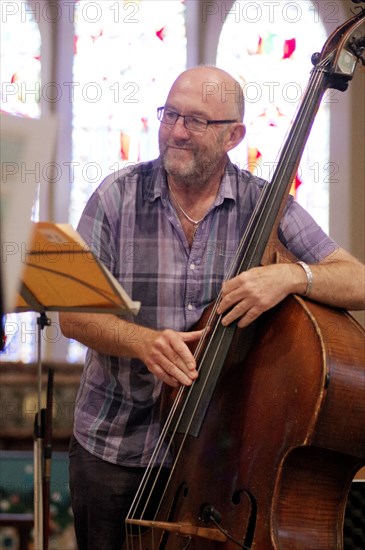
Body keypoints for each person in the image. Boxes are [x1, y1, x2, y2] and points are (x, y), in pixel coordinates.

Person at [59, 66, 365, 549]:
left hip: (216, 460)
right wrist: (142, 341)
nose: (177, 131)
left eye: (196, 121)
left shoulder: (265, 204)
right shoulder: (116, 197)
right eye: (171, 115)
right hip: (114, 447)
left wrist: (292, 276)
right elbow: (72, 314)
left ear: (233, 135)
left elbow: (359, 280)